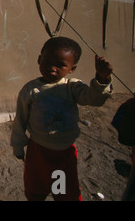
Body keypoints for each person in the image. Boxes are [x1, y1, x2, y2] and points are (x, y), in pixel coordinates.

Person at [10, 36, 113, 201]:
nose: (52, 69)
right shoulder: (30, 90)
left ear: (72, 68)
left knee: (63, 191)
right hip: (37, 152)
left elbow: (93, 99)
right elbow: (20, 119)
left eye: (60, 65)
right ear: (39, 59)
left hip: (64, 155)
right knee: (36, 188)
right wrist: (18, 146)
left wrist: (102, 79)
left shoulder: (71, 87)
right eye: (47, 62)